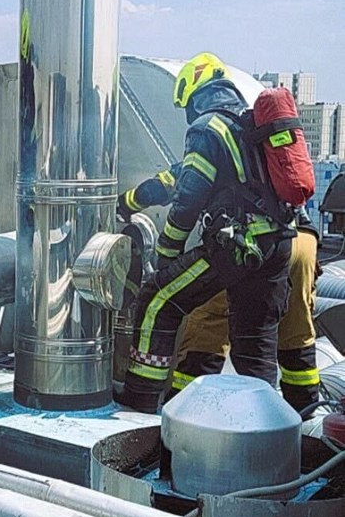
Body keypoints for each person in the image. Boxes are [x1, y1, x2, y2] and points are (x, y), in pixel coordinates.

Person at [116, 53, 297, 414]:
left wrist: (167, 255)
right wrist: (129, 201)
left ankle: (139, 401)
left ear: (193, 94)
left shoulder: (206, 128)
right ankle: (263, 421)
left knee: (158, 299)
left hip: (238, 245)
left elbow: (188, 199)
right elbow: (176, 178)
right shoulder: (245, 123)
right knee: (254, 338)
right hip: (278, 244)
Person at [118, 172, 320, 415]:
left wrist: (125, 203)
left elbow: (168, 183)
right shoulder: (268, 153)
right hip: (300, 240)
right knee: (294, 329)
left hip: (248, 242)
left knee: (208, 325)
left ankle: (186, 409)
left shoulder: (216, 151)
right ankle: (304, 409)